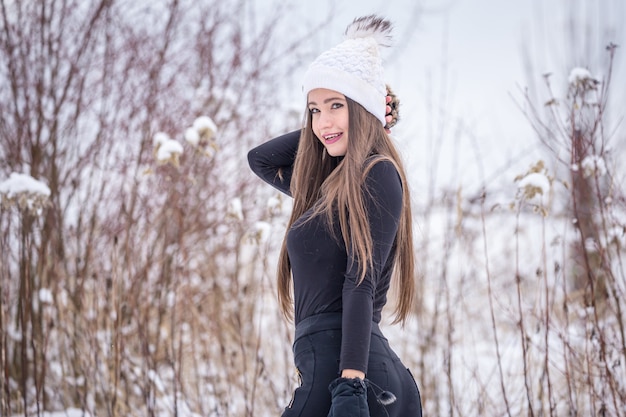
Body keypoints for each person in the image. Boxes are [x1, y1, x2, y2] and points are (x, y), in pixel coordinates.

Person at [248, 15, 422, 417]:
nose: (322, 121)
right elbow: (259, 160)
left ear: (360, 108)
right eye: (314, 110)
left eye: (336, 106)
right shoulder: (322, 189)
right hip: (324, 365)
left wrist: (350, 385)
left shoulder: (377, 173)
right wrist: (328, 127)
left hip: (354, 373)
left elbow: (360, 282)